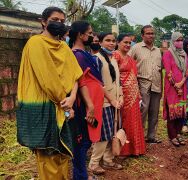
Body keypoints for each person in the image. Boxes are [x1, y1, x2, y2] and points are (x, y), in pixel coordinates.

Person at [17, 7, 82, 179]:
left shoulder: (64, 47)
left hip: (63, 104)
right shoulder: (36, 43)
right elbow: (48, 80)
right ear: (43, 22)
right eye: (54, 20)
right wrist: (66, 105)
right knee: (48, 154)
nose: (59, 23)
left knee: (63, 154)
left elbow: (76, 74)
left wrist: (72, 98)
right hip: (44, 107)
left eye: (62, 21)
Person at [68, 21, 104, 179]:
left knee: (86, 142)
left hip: (91, 103)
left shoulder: (85, 54)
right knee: (81, 142)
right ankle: (80, 176)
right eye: (89, 33)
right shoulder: (77, 55)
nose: (92, 36)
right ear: (79, 35)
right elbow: (79, 82)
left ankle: (82, 174)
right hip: (82, 105)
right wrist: (89, 106)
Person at [88, 32, 124, 174]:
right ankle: (94, 163)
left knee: (112, 133)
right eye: (107, 40)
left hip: (115, 102)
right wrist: (112, 100)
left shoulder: (113, 59)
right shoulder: (96, 59)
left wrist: (120, 96)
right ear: (101, 42)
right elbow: (98, 84)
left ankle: (108, 160)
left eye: (113, 41)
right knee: (103, 135)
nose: (111, 43)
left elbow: (117, 81)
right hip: (104, 103)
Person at [128, 25, 163, 144]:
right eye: (148, 33)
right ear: (142, 35)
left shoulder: (158, 50)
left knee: (154, 112)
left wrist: (161, 87)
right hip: (141, 84)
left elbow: (160, 69)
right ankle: (139, 137)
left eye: (152, 33)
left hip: (156, 85)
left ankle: (151, 136)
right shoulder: (136, 48)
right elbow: (128, 65)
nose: (151, 35)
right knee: (142, 110)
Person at [114, 34, 146, 156]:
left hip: (133, 94)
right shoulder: (115, 56)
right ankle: (123, 149)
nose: (128, 45)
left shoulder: (129, 57)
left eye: (129, 43)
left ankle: (135, 149)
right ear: (118, 42)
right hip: (122, 95)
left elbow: (134, 77)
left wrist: (138, 93)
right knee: (124, 121)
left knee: (134, 120)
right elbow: (114, 78)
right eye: (125, 42)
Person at [162, 32, 188, 147]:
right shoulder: (168, 53)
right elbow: (168, 71)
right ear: (173, 41)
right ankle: (172, 136)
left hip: (182, 86)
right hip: (171, 87)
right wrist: (176, 85)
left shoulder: (184, 54)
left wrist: (182, 82)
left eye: (181, 40)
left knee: (181, 112)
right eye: (177, 40)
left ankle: (178, 134)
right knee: (172, 112)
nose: (180, 42)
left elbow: (187, 70)